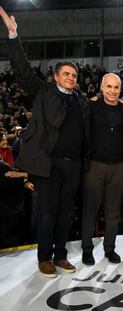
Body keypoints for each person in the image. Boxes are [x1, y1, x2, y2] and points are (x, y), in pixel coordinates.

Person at [1, 7, 89, 278]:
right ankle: (44, 258)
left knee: (65, 214)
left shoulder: (82, 100)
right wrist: (13, 35)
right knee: (47, 214)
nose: (71, 78)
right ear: (56, 76)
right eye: (66, 74)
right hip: (48, 164)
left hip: (73, 165)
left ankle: (61, 255)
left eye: (74, 76)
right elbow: (22, 68)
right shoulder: (42, 91)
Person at [81, 73, 123, 265]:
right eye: (108, 87)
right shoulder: (91, 106)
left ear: (120, 89)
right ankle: (87, 249)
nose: (112, 91)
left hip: (118, 166)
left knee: (113, 212)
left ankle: (109, 249)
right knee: (90, 210)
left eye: (116, 87)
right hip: (95, 165)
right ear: (101, 88)